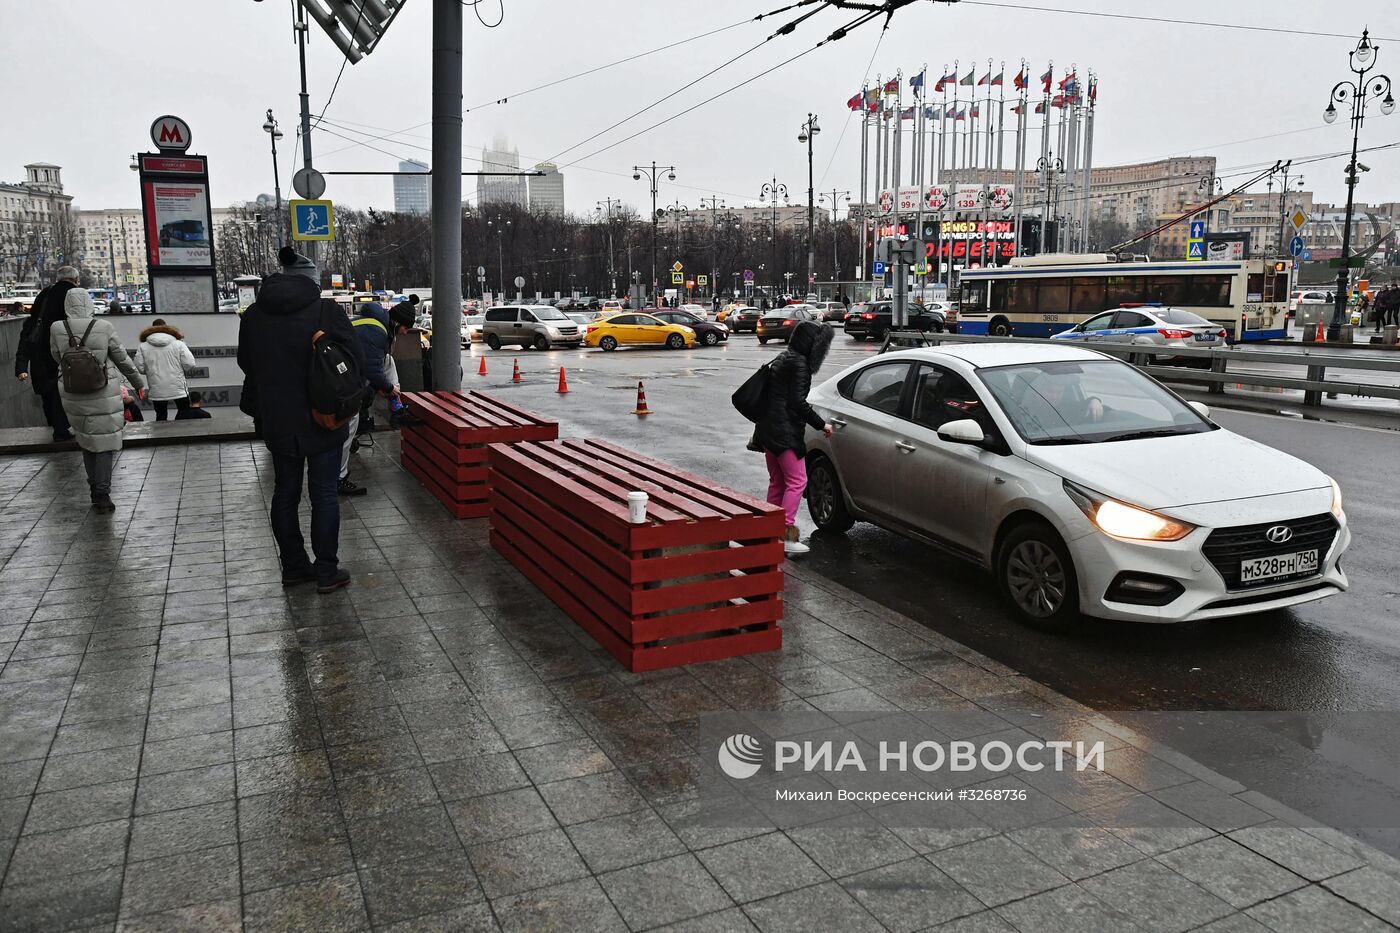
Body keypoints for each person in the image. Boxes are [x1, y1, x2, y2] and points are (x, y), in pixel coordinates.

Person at [237, 246, 360, 594]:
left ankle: (293, 566)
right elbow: (352, 361)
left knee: (285, 493)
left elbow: (246, 363)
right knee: (323, 494)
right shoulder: (326, 311)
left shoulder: (254, 315)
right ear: (312, 282)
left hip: (277, 419)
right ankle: (326, 571)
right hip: (323, 418)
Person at [48, 289, 145, 512]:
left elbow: (56, 356)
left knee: (87, 440)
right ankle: (102, 494)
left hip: (72, 390)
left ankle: (94, 489)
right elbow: (122, 359)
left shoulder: (57, 327)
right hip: (103, 390)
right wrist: (138, 383)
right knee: (104, 444)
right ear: (89, 304)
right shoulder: (104, 327)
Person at [752, 320, 834, 556]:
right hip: (784, 432)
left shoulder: (784, 357)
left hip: (767, 430)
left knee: (777, 482)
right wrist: (822, 425)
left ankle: (769, 532)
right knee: (798, 481)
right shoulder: (800, 364)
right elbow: (798, 403)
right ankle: (785, 534)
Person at [338, 300, 414, 495]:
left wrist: (385, 388)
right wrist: (387, 387)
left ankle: (397, 408)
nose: (405, 332)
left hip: (344, 374)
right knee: (349, 425)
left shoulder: (375, 324)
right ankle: (338, 477)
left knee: (388, 362)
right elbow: (370, 369)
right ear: (397, 322)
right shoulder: (377, 331)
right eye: (406, 327)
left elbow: (373, 364)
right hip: (342, 380)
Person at [14, 266, 81, 441]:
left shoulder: (44, 294)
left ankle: (57, 426)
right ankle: (63, 428)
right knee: (66, 389)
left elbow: (32, 324)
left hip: (41, 351)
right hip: (65, 348)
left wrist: (21, 366)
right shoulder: (75, 293)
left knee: (48, 391)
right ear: (76, 279)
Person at [134, 318, 197, 420]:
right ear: (166, 327)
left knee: (161, 414)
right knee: (184, 410)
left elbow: (139, 367)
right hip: (178, 386)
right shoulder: (179, 343)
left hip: (156, 387)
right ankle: (181, 432)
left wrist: (150, 371)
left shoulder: (143, 346)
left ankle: (161, 435)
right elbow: (190, 364)